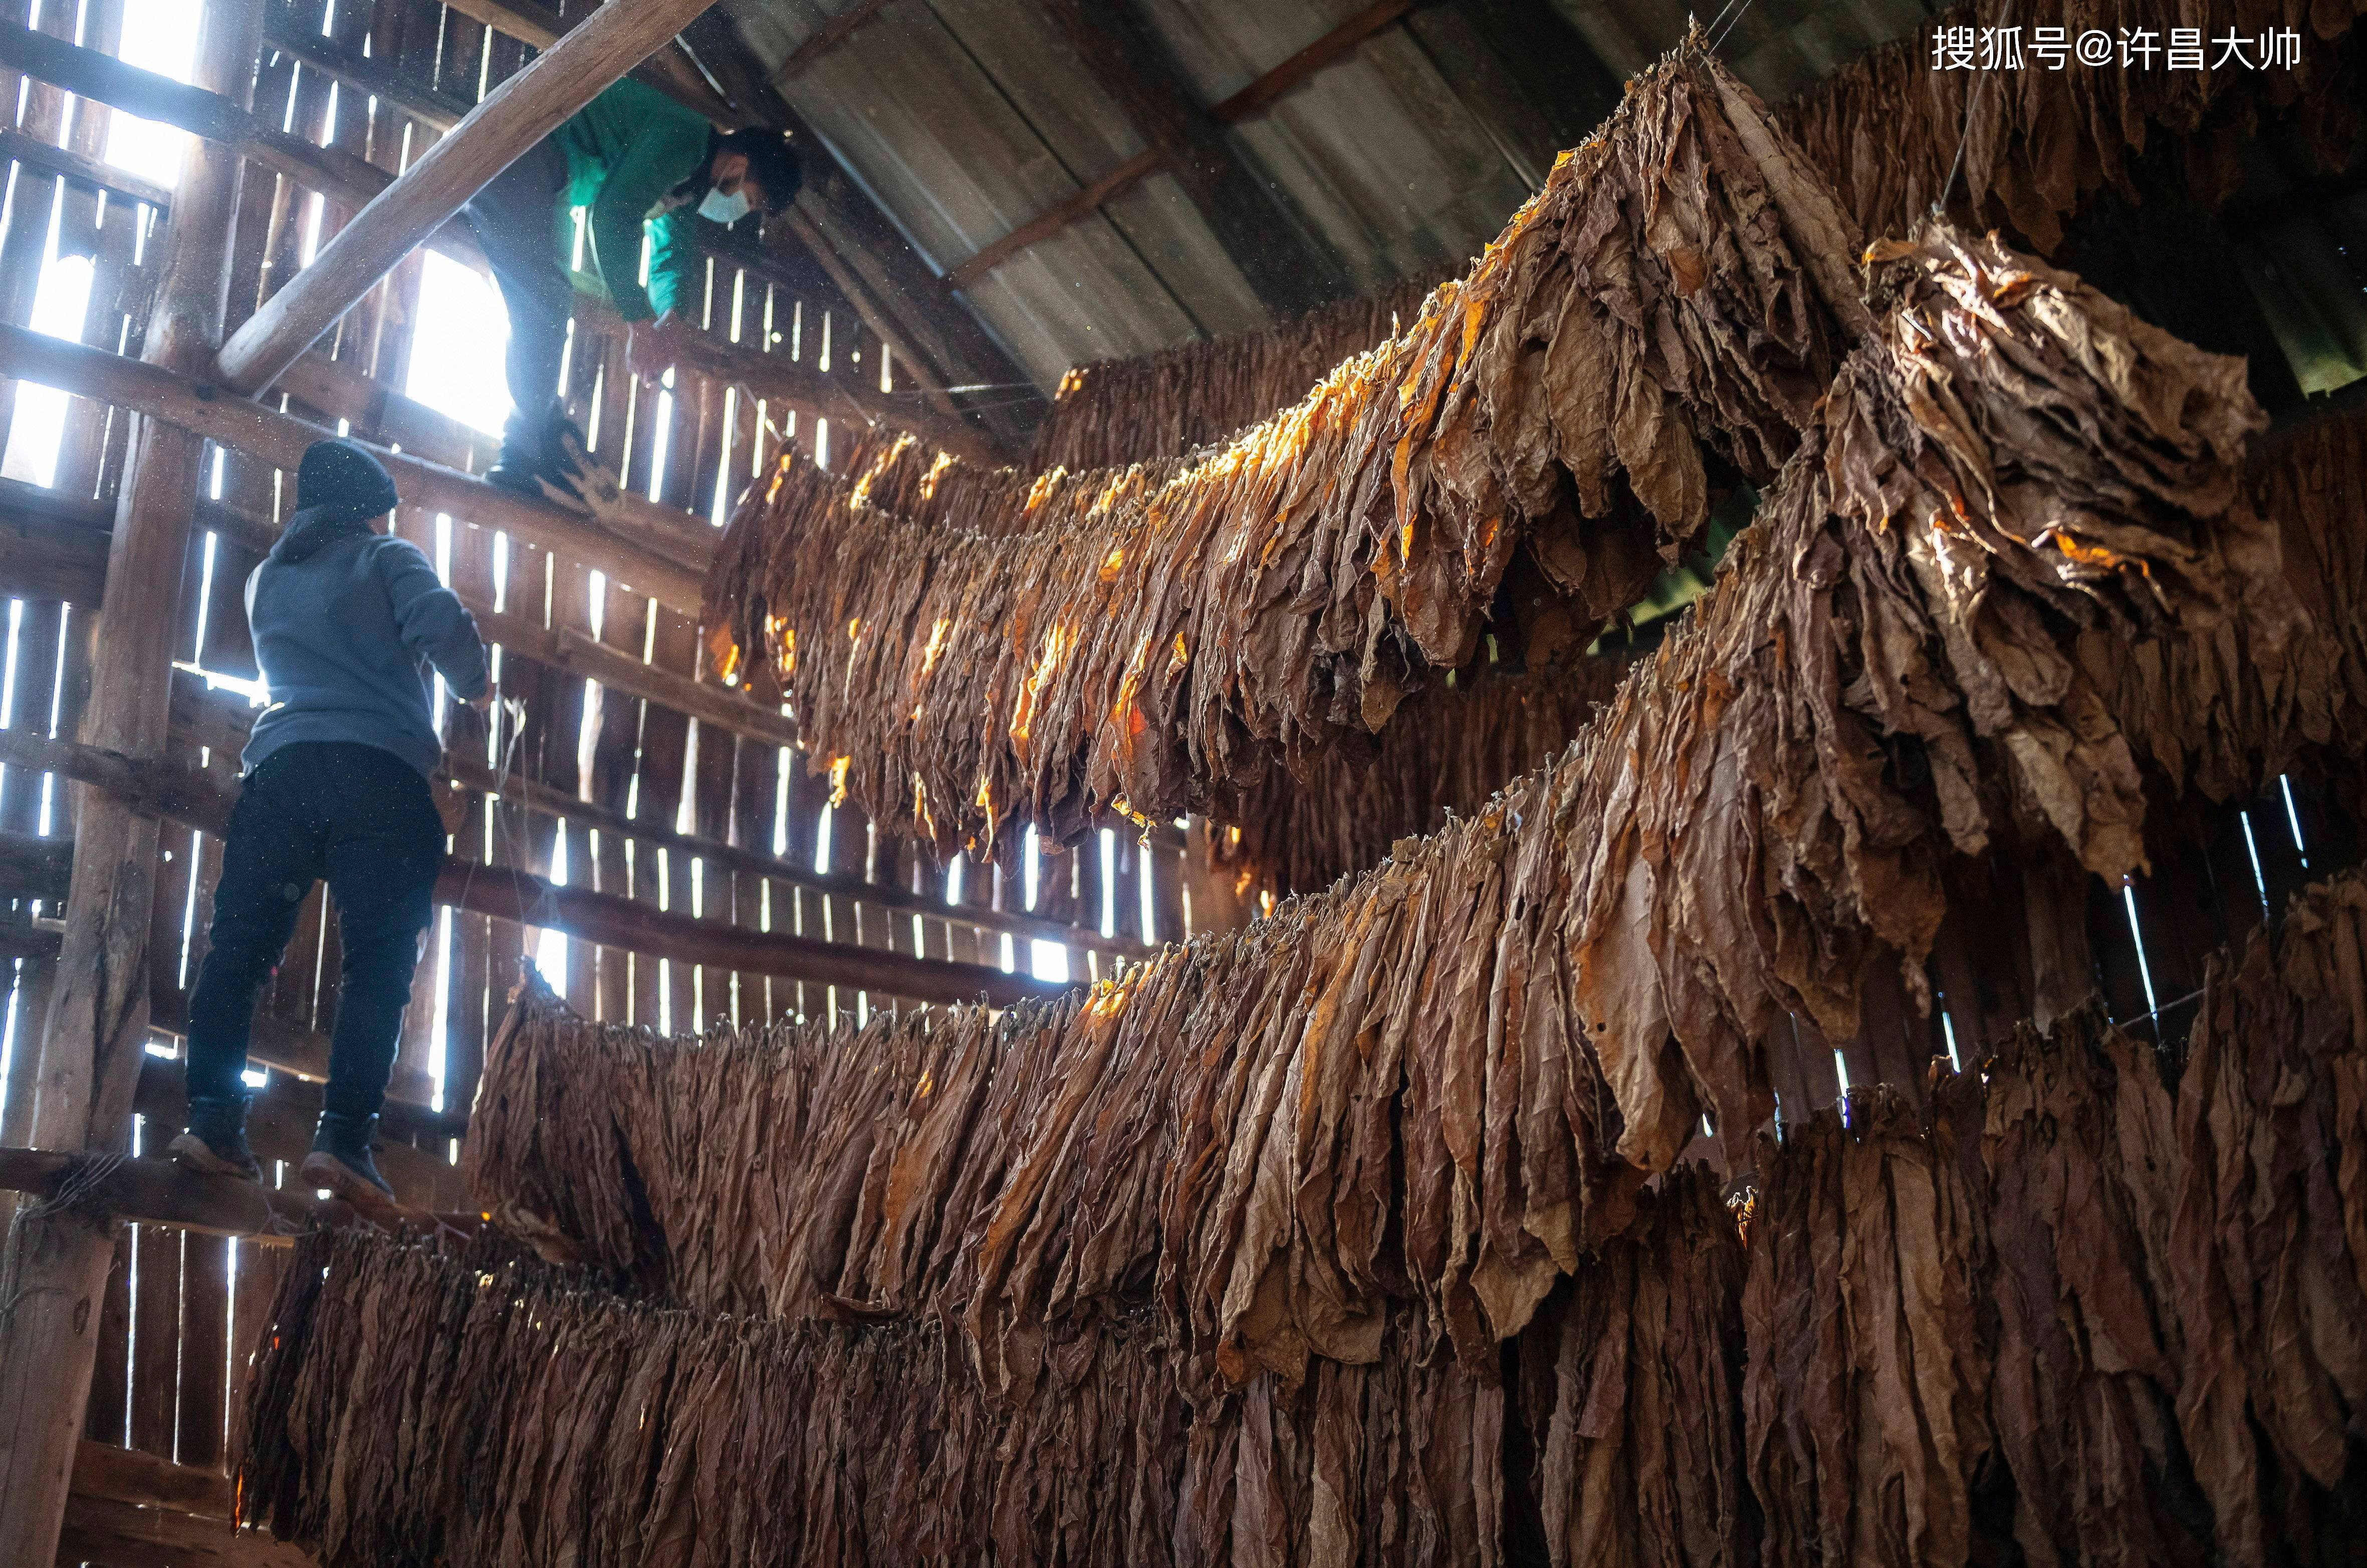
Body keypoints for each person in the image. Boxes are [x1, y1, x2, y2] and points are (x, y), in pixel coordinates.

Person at [169, 439, 491, 1213]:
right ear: (365, 510)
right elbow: (441, 626)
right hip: (378, 779)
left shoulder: (264, 580)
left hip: (281, 777)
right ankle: (343, 1140)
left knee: (238, 951)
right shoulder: (385, 556)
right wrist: (475, 684)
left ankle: (213, 1125)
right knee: (377, 967)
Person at [459, 77, 802, 505]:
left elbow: (673, 252)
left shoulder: (688, 177)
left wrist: (672, 319)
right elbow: (612, 217)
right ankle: (523, 450)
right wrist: (640, 322)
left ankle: (539, 437)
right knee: (543, 305)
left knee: (547, 302)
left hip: (550, 178)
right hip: (522, 151)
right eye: (750, 201)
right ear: (739, 167)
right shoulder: (684, 139)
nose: (739, 213)